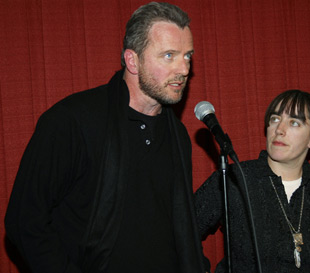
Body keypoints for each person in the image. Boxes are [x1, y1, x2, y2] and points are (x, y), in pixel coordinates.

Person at [5, 2, 206, 273]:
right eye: (169, 55)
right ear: (133, 60)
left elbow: (177, 226)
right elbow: (25, 220)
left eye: (187, 56)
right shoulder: (72, 121)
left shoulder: (178, 134)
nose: (183, 69)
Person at [195, 89, 310, 273]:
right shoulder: (234, 179)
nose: (279, 129)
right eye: (275, 119)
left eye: (294, 123)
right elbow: (181, 231)